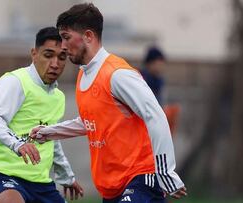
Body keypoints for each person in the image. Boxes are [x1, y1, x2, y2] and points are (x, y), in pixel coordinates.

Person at [30, 3, 187, 203]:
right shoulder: (84, 76)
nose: (63, 45)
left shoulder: (117, 74)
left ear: (88, 36)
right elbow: (91, 121)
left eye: (66, 37)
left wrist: (165, 171)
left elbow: (155, 115)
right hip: (113, 187)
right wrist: (51, 132)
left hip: (142, 178)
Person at [0, 27, 83, 203]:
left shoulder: (57, 97)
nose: (55, 63)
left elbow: (52, 139)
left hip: (39, 183)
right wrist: (18, 144)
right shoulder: (15, 81)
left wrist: (66, 177)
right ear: (34, 54)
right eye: (48, 55)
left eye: (61, 57)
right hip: (1, 173)